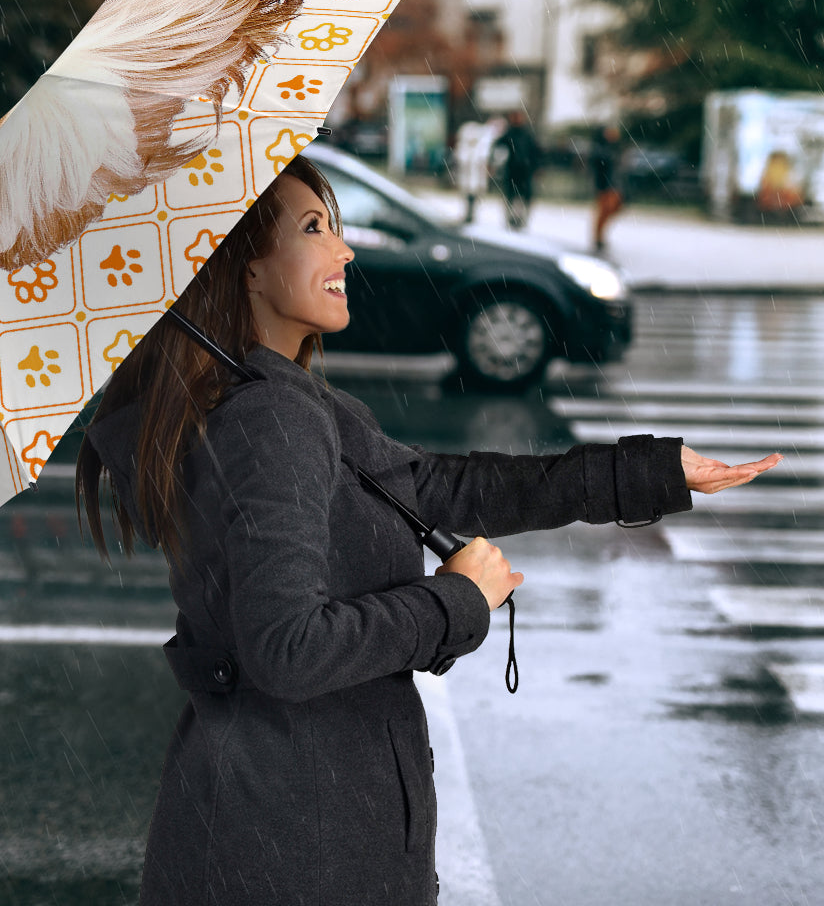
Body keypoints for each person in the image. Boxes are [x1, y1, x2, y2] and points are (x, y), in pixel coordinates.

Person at [76, 155, 780, 906]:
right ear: (245, 269)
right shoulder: (268, 420)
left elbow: (443, 487)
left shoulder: (282, 403)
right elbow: (287, 649)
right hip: (296, 845)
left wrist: (649, 472)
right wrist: (454, 601)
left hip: (285, 825)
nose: (344, 250)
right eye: (314, 229)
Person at [491, 109, 541, 230]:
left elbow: (535, 152)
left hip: (525, 171)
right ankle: (511, 218)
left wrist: (536, 168)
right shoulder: (509, 134)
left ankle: (520, 219)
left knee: (522, 197)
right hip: (512, 170)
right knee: (511, 195)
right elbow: (497, 148)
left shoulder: (527, 135)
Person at [591, 124, 624, 252]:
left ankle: (600, 236)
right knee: (604, 211)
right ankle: (598, 237)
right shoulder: (601, 149)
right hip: (605, 185)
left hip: (613, 184)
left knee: (612, 209)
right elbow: (600, 165)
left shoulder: (614, 148)